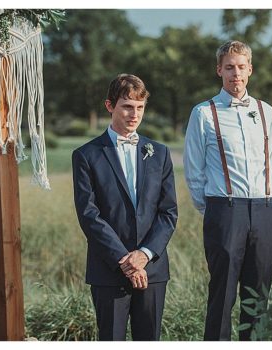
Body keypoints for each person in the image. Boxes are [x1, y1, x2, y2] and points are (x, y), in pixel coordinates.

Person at [183, 40, 272, 341]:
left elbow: (270, 159)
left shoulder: (266, 111)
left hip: (265, 210)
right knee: (222, 296)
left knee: (259, 294)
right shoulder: (203, 113)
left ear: (250, 69)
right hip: (225, 210)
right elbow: (194, 170)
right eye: (229, 67)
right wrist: (214, 209)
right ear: (219, 70)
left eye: (240, 67)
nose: (235, 74)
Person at [72, 74, 178, 341]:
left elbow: (168, 213)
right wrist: (125, 261)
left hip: (152, 270)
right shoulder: (86, 155)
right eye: (127, 106)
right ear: (110, 106)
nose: (135, 114)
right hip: (108, 270)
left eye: (140, 107)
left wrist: (143, 255)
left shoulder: (160, 153)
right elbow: (89, 215)